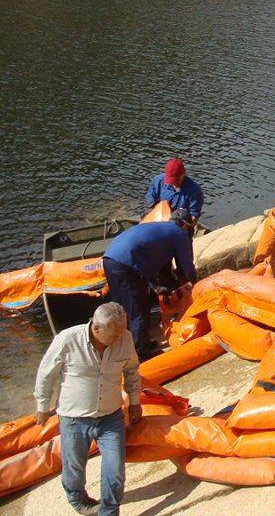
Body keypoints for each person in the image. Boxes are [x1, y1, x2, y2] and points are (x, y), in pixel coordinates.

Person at [34, 302, 141, 516]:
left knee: (115, 469)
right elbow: (46, 373)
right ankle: (78, 500)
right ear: (96, 328)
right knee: (74, 469)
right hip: (74, 419)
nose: (117, 340)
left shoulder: (124, 338)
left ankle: (109, 511)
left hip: (111, 417)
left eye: (121, 333)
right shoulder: (67, 339)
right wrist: (43, 405)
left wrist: (135, 401)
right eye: (113, 336)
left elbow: (132, 370)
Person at [101, 208, 197, 359]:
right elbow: (186, 265)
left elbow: (156, 266)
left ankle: (134, 345)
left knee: (122, 309)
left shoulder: (160, 230)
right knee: (138, 310)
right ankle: (140, 354)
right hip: (126, 265)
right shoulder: (178, 234)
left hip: (110, 260)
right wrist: (194, 284)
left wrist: (157, 285)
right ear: (185, 226)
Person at [145, 158, 204, 224]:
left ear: (183, 174)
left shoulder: (194, 191)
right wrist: (160, 209)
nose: (173, 183)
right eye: (171, 180)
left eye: (176, 180)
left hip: (179, 222)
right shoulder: (158, 181)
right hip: (159, 215)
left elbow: (194, 216)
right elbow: (150, 197)